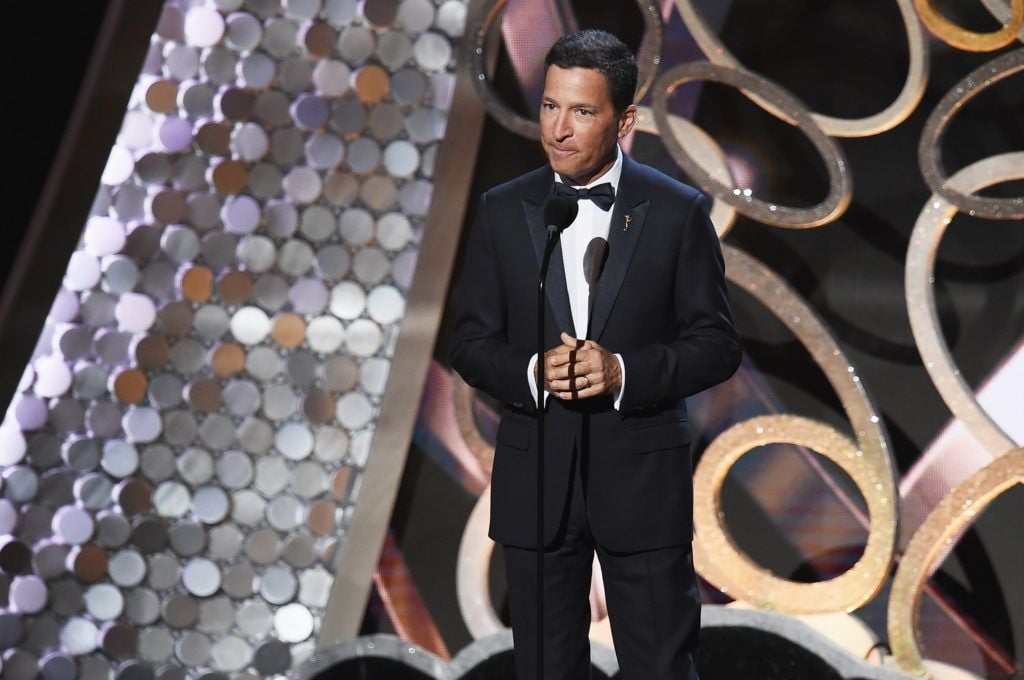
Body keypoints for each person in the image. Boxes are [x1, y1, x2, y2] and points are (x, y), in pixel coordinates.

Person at [450, 29, 741, 680]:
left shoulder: (677, 212)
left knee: (660, 668)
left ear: (624, 119)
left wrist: (623, 373)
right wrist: (531, 371)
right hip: (538, 484)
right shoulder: (504, 210)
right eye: (551, 106)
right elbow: (469, 342)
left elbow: (716, 345)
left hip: (641, 480)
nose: (558, 128)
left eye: (581, 111)